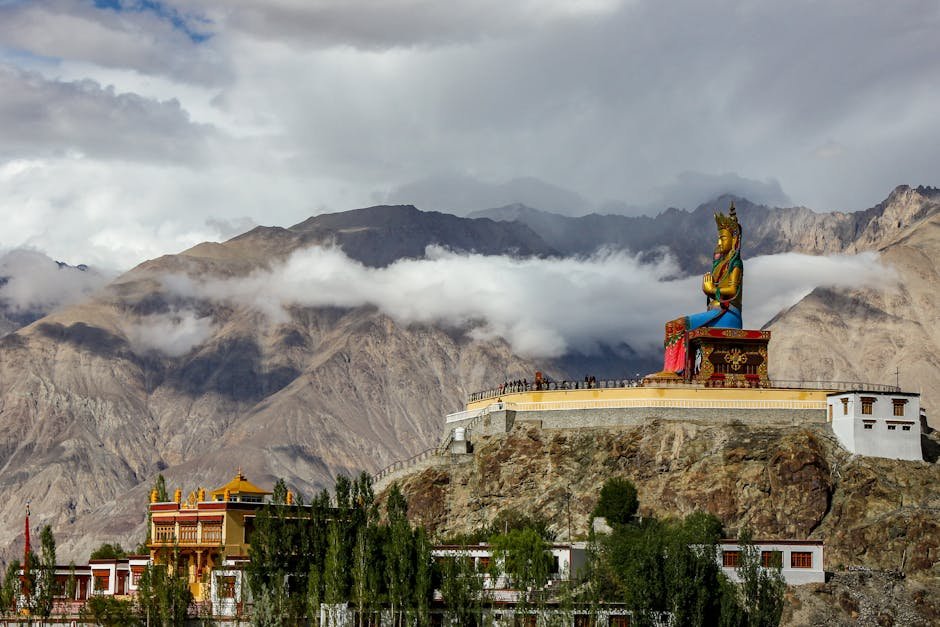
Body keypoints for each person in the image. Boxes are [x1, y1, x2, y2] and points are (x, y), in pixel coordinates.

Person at [661, 202, 744, 374]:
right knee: (672, 326)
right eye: (718, 238)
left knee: (678, 325)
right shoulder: (720, 265)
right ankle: (675, 369)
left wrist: (711, 290)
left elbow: (732, 291)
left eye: (724, 238)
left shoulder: (735, 263)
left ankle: (675, 371)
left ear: (734, 239)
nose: (720, 242)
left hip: (728, 316)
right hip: (716, 314)